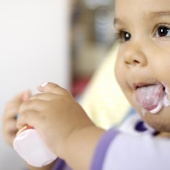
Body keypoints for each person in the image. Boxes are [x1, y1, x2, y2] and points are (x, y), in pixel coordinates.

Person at [3, 0, 170, 169]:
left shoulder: (128, 151)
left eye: (164, 31)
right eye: (125, 35)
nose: (129, 53)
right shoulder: (131, 128)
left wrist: (74, 134)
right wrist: (45, 147)